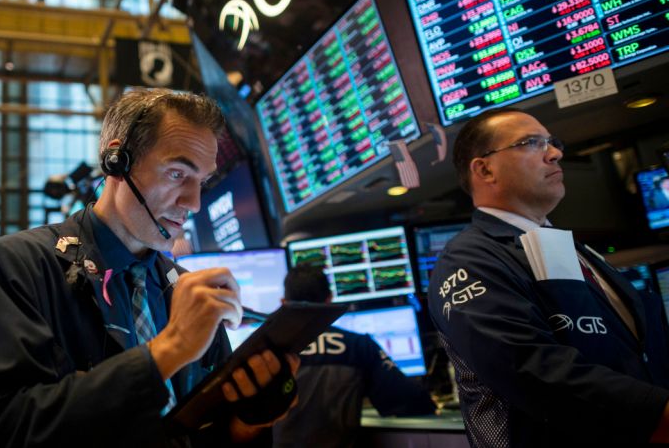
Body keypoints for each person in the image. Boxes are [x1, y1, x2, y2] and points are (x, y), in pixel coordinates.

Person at [0, 88, 299, 447]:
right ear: (117, 160)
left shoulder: (185, 290)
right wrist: (170, 349)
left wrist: (247, 424)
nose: (193, 203)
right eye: (178, 174)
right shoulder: (17, 265)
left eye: (201, 182)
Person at [429, 108, 669, 447]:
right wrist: (659, 414)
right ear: (484, 169)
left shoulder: (576, 250)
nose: (555, 153)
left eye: (553, 142)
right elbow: (531, 369)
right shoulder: (468, 260)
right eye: (532, 143)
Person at [272, 265, 435, 448]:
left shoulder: (268, 353)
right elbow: (413, 400)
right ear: (330, 300)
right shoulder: (357, 346)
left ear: (284, 302)